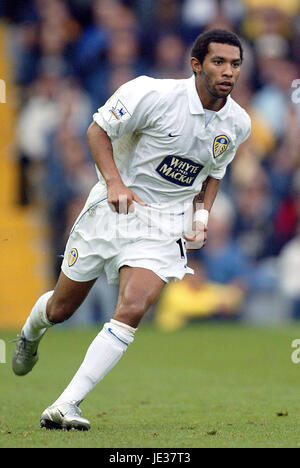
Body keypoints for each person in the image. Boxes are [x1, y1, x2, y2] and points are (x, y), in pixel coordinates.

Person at [12, 29, 251, 431]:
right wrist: (116, 184)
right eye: (219, 62)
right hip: (113, 208)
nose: (228, 72)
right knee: (61, 309)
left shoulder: (238, 123)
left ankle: (65, 405)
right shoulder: (151, 94)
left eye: (235, 64)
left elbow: (214, 173)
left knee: (133, 308)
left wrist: (201, 219)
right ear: (196, 65)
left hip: (162, 225)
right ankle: (31, 332)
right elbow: (96, 131)